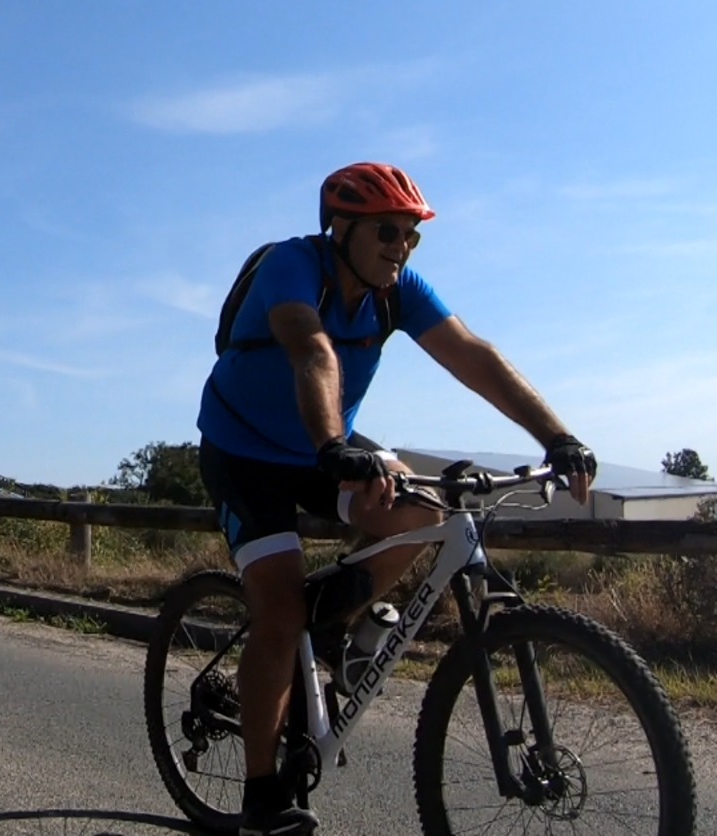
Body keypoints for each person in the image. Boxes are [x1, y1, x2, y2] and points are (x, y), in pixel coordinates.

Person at [196, 162, 597, 835]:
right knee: (279, 608)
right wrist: (333, 444)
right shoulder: (294, 266)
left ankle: (329, 625)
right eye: (387, 231)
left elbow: (473, 355)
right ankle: (262, 798)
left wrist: (558, 436)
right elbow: (312, 350)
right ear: (342, 228)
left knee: (423, 511)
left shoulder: (398, 291)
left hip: (326, 444)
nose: (401, 247)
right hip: (246, 452)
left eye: (412, 235)